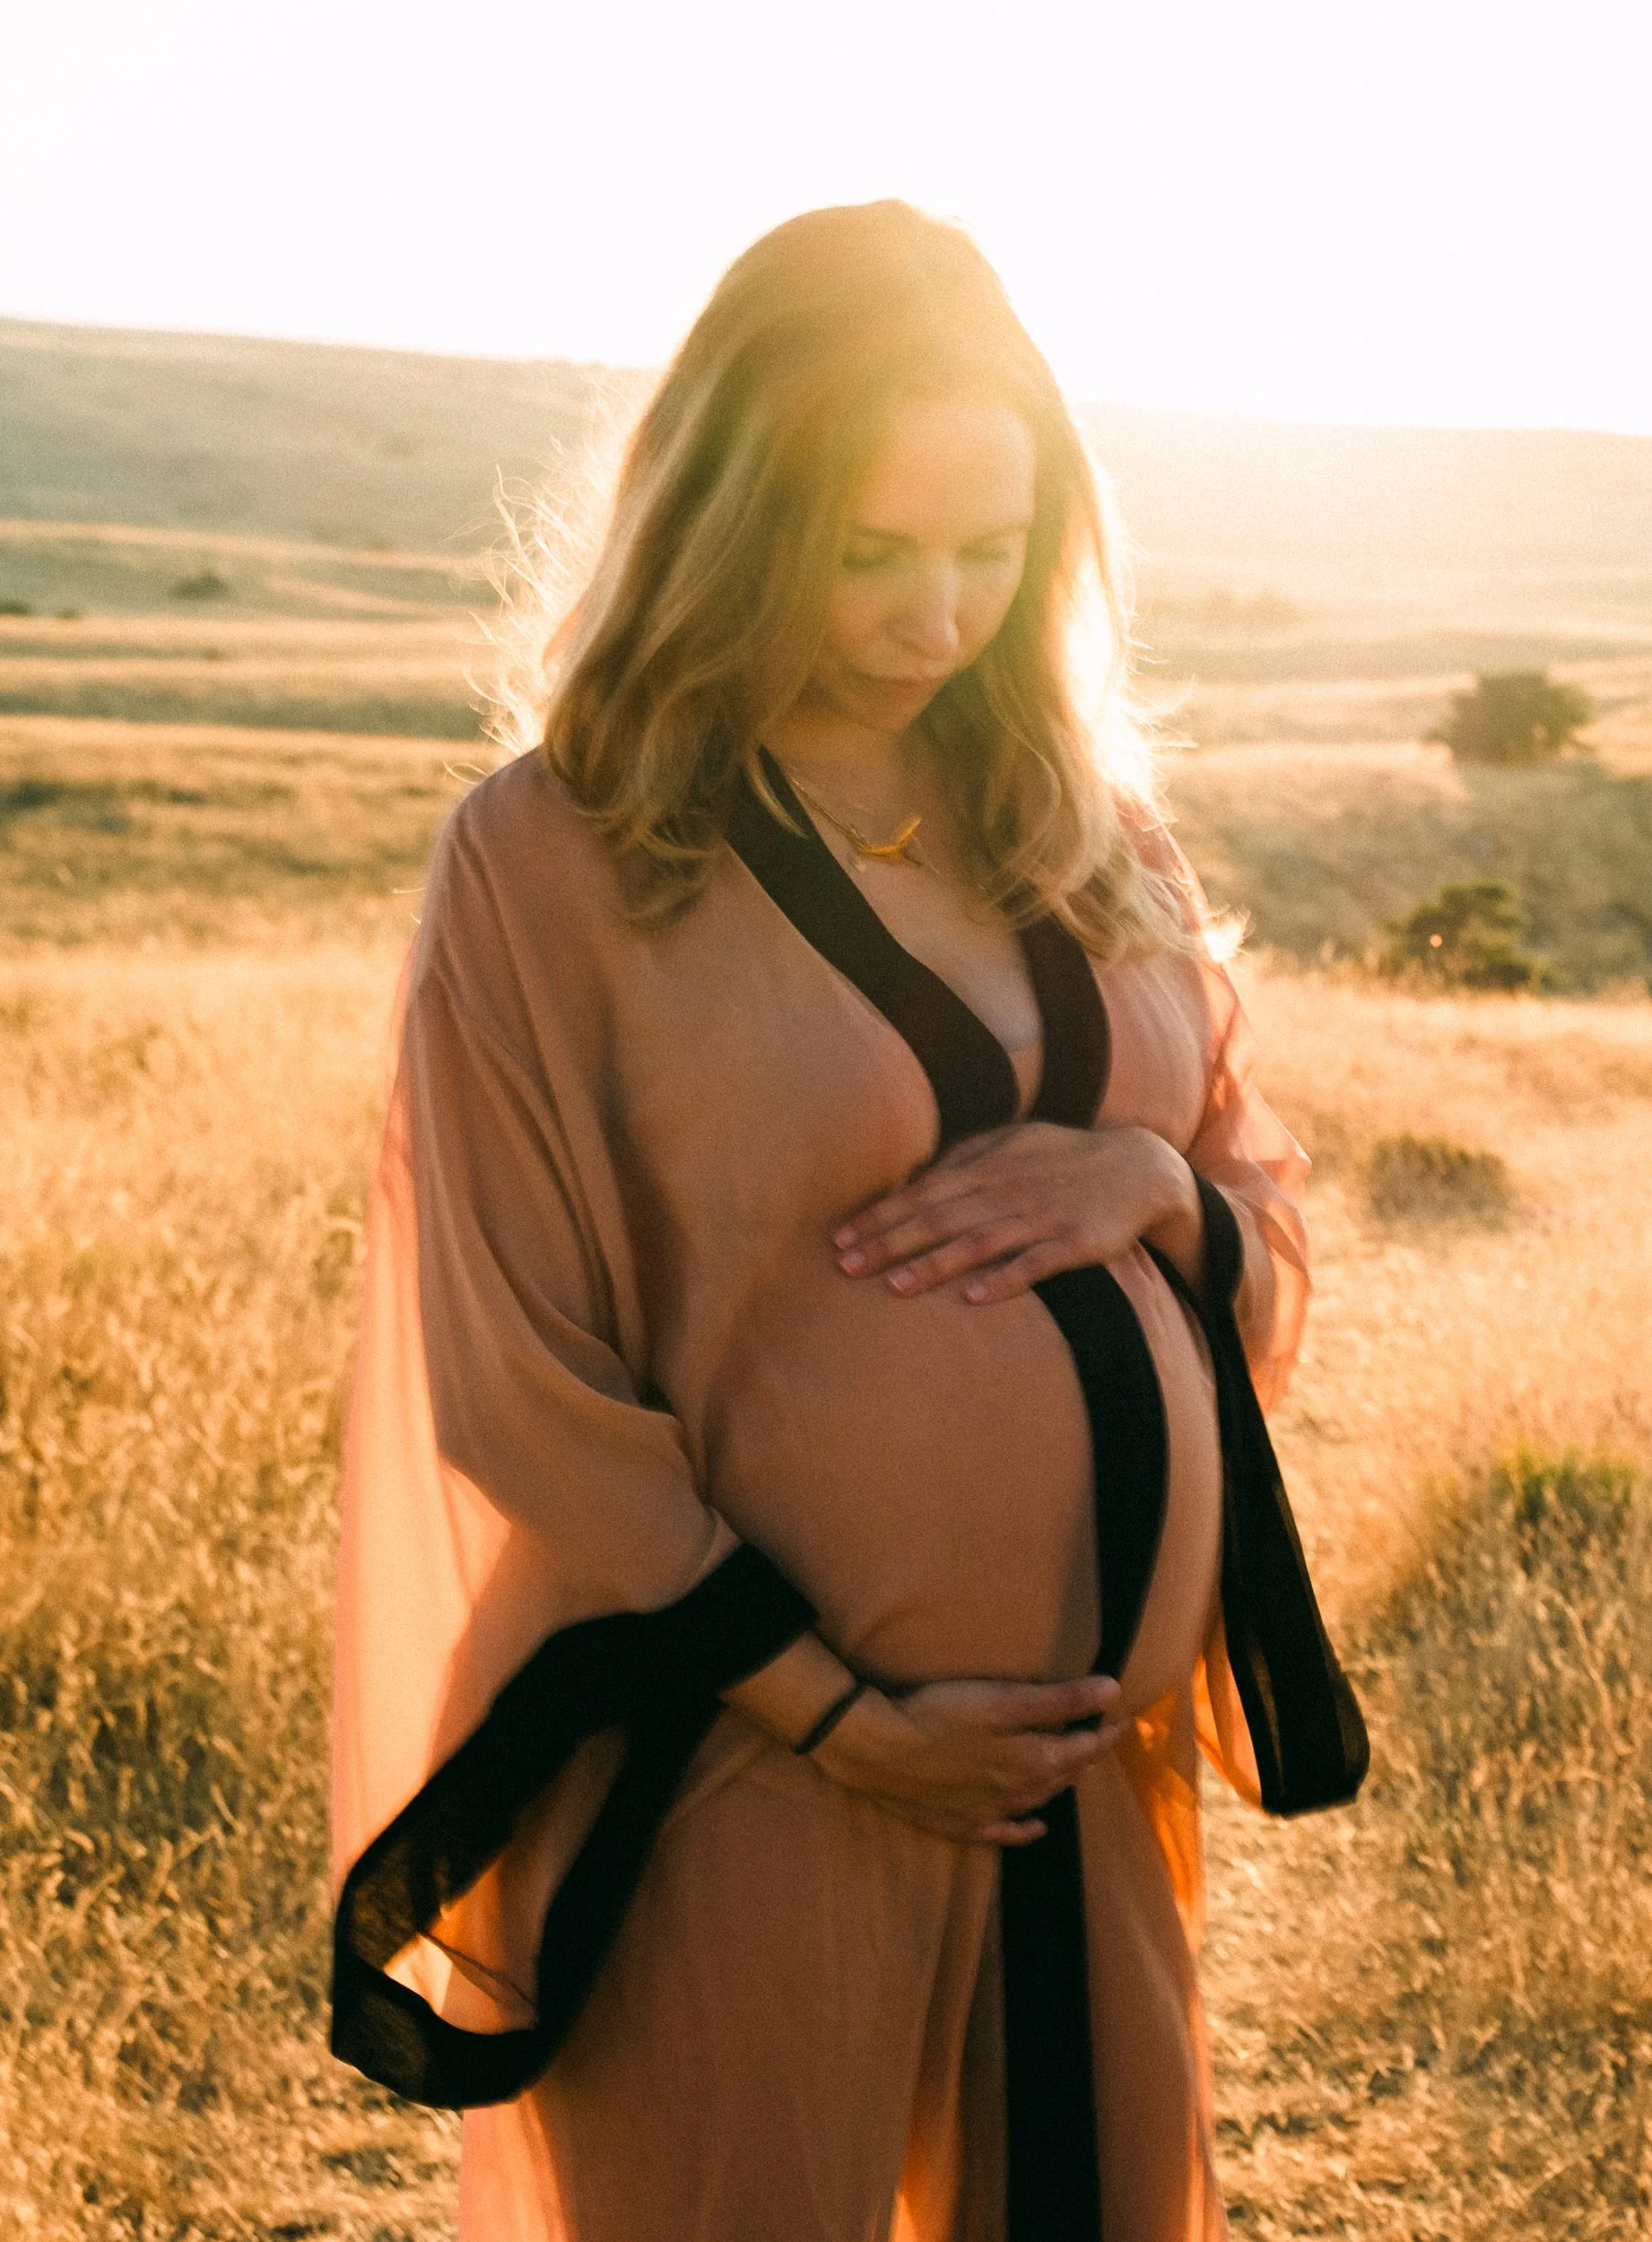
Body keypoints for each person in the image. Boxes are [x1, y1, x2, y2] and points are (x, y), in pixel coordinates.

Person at [326, 200, 1364, 2242]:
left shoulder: (1089, 826)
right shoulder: (557, 861)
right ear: (726, 520)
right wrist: (841, 1713)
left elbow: (1258, 1204)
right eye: (871, 549)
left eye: (991, 542)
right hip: (742, 1759)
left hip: (1084, 1771)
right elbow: (512, 1377)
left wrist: (1151, 1184)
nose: (938, 606)